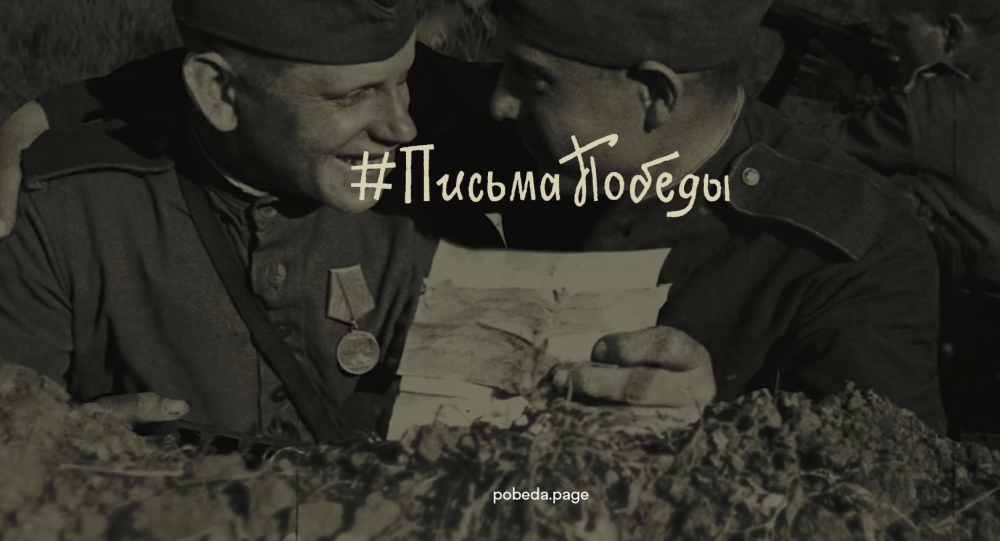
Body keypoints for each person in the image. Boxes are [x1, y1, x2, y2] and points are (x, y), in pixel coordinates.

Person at [0, 0, 722, 443]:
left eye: (405, 81)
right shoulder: (59, 215)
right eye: (351, 96)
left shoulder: (435, 208)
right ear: (217, 93)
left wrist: (651, 427)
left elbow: (532, 487)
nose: (402, 127)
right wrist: (47, 454)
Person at [482, 0, 948, 434]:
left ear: (655, 95)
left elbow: (886, 477)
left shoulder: (852, 252)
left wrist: (714, 431)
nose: (498, 104)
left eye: (531, 80)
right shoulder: (472, 132)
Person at [797, 0, 1000, 436]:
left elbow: (805, 152)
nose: (889, 45)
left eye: (900, 31)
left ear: (950, 33)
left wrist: (840, 100)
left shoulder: (936, 101)